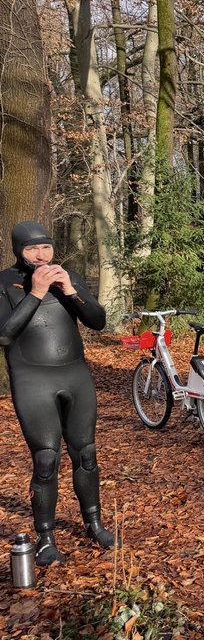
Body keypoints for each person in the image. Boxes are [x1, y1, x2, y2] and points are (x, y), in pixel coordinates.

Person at [0, 221, 118, 564]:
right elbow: (5, 335)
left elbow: (97, 320)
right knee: (46, 459)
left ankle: (94, 523)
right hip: (33, 378)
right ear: (18, 250)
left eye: (46, 247)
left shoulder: (69, 276)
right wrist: (36, 292)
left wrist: (70, 290)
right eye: (32, 249)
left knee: (86, 454)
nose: (41, 255)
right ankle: (46, 537)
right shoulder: (6, 282)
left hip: (76, 374)